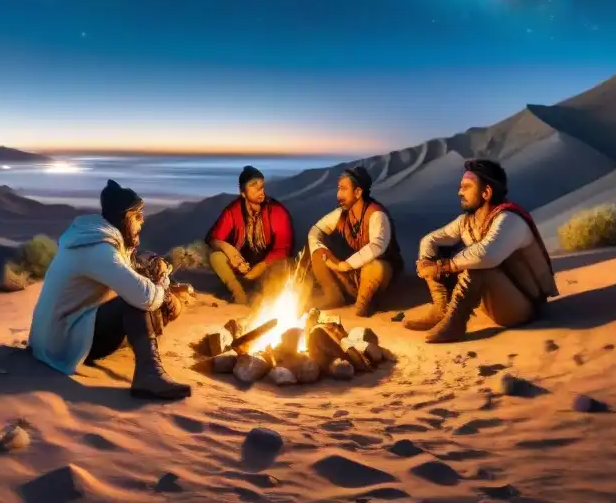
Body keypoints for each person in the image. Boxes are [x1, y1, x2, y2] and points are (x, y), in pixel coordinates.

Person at [28, 179, 191, 400]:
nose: (142, 222)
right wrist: (162, 285)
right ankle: (149, 375)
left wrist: (159, 285)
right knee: (138, 300)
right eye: (137, 216)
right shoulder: (97, 249)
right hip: (61, 346)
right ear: (124, 217)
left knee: (146, 297)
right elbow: (142, 295)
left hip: (52, 338)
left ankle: (148, 353)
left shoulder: (94, 239)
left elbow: (132, 274)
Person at [404, 159, 558, 343]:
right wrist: (425, 262)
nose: (459, 192)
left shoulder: (510, 220)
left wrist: (441, 267)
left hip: (522, 307)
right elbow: (431, 240)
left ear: (486, 193)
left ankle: (456, 325)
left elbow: (485, 255)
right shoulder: (467, 221)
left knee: (478, 265)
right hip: (495, 303)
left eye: (466, 187)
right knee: (442, 254)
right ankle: (441, 309)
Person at [307, 166, 404, 315]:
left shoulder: (377, 214)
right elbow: (316, 230)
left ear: (358, 192)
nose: (339, 195)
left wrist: (345, 265)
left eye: (344, 189)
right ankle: (333, 296)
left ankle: (364, 304)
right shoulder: (342, 213)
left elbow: (377, 246)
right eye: (339, 189)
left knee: (377, 267)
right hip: (350, 273)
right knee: (318, 254)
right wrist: (322, 248)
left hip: (372, 273)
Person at [206, 165, 295, 305]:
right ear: (243, 193)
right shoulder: (233, 211)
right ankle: (239, 295)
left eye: (261, 185)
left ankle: (264, 299)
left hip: (267, 267)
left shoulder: (277, 211)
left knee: (283, 265)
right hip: (242, 267)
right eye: (254, 185)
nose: (261, 190)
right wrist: (228, 249)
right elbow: (213, 238)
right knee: (216, 257)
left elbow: (283, 249)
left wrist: (259, 268)